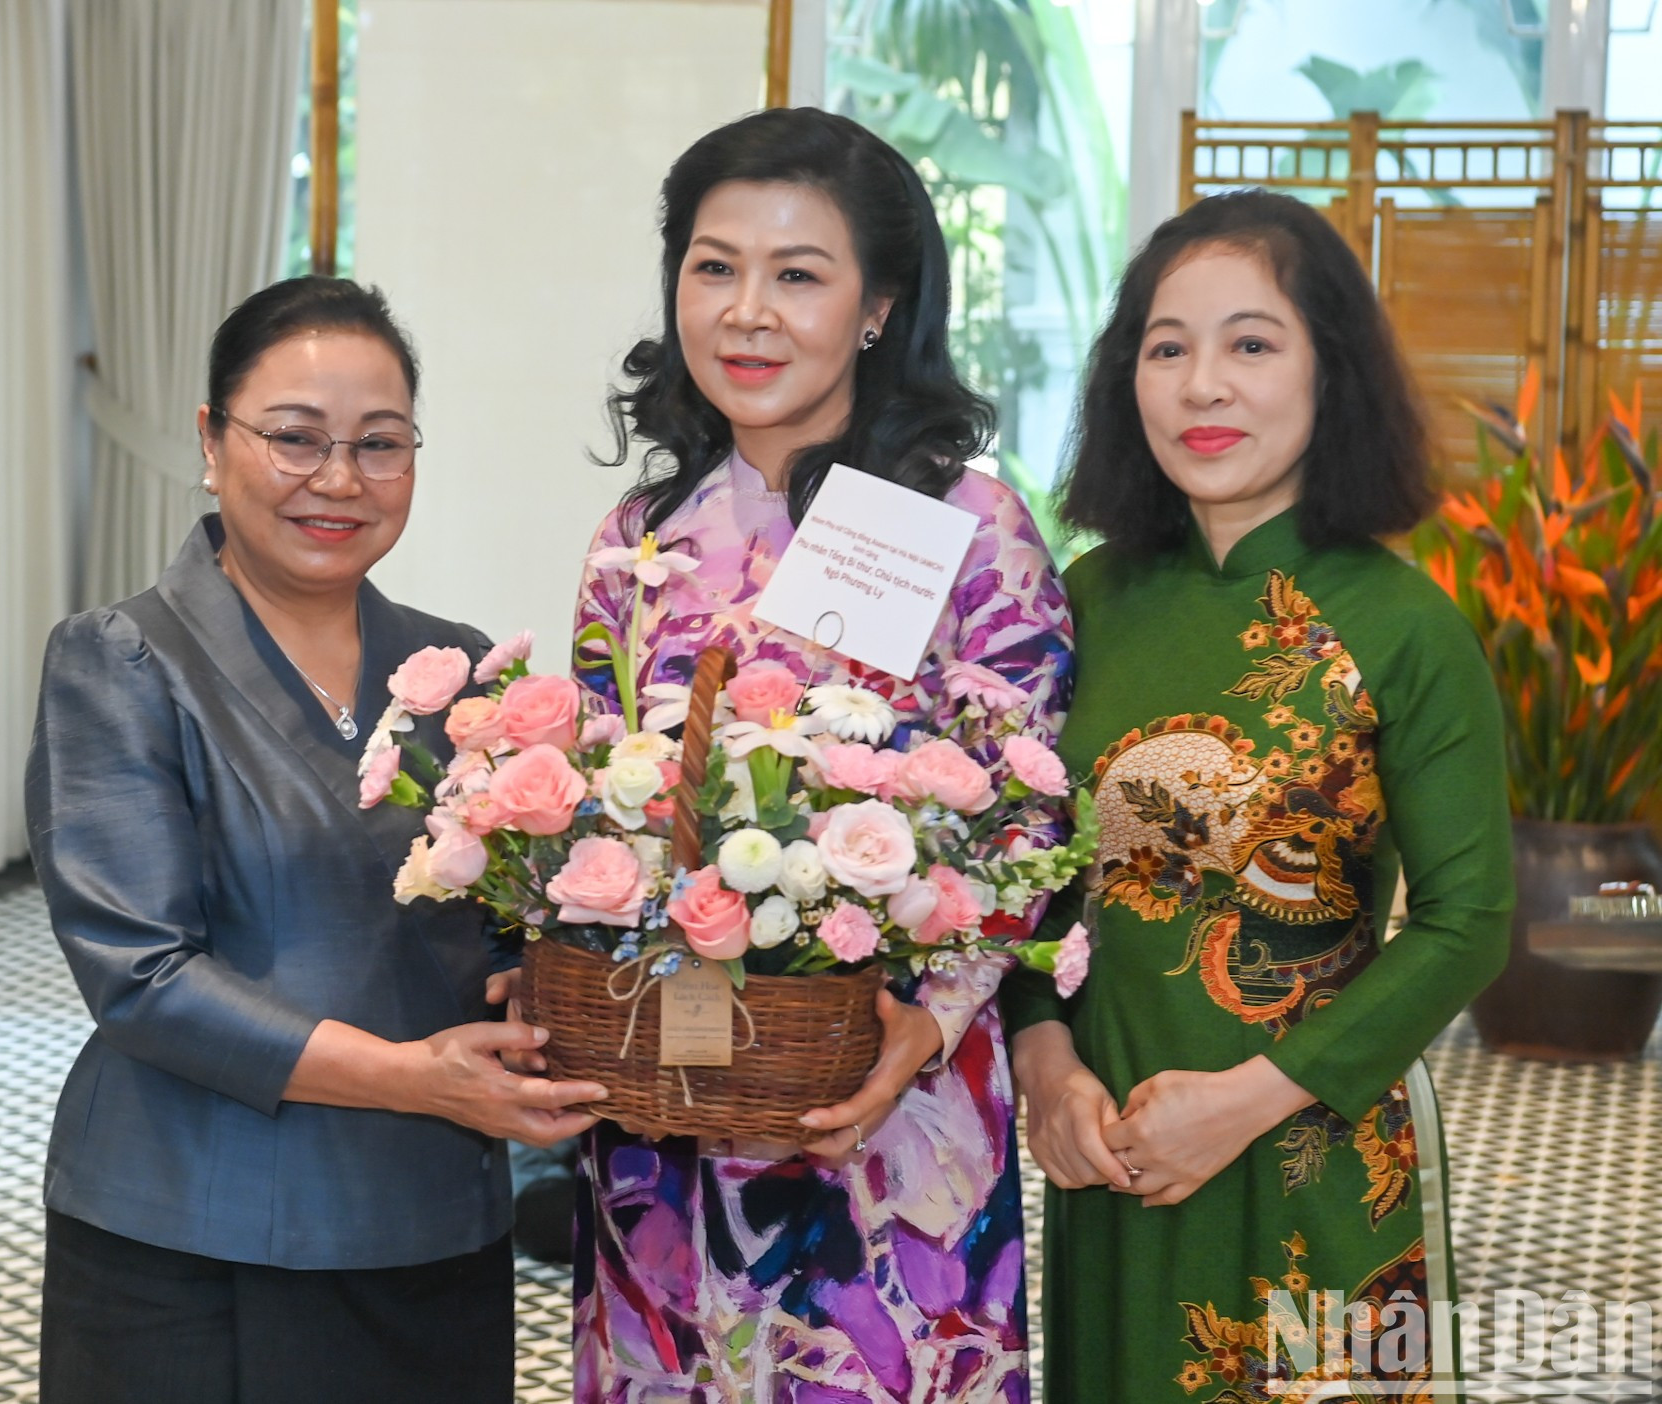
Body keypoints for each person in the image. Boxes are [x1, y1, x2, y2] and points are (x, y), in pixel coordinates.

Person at [569, 108, 1073, 1403]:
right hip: (666, 1120)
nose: (747, 312)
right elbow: (590, 804)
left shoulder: (967, 525)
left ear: (877, 309)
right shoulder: (641, 536)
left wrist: (929, 1023)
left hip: (886, 1116)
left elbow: (1029, 815)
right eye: (714, 266)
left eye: (797, 274)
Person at [27, 276, 605, 1404]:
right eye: (294, 438)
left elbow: (508, 929)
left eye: (379, 444)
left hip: (431, 1216)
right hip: (199, 1231)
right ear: (212, 440)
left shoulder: (455, 674)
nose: (339, 480)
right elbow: (142, 977)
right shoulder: (123, 659)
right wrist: (413, 1078)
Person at [999, 189, 1512, 1400]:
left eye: (1251, 344)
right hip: (1111, 1152)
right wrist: (1044, 1062)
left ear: (1331, 370)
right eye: (1166, 349)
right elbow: (1023, 875)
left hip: (1313, 1149)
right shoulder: (1087, 601)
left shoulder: (1404, 623)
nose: (1203, 387)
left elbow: (1471, 920)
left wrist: (1243, 1104)